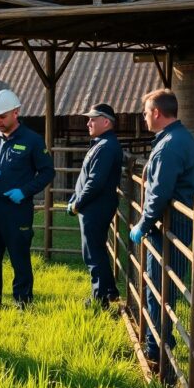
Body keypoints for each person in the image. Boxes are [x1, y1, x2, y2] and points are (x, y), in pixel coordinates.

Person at [129, 89, 194, 366]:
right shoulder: (182, 138)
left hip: (170, 226)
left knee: (158, 288)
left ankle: (157, 352)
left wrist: (143, 223)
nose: (145, 118)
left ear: (157, 113)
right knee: (164, 285)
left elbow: (159, 193)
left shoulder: (169, 145)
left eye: (146, 113)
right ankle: (162, 343)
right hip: (177, 223)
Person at [0, 89, 55, 309]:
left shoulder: (32, 141)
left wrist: (25, 191)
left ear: (16, 113)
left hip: (17, 208)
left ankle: (23, 301)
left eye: (2, 116)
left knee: (19, 256)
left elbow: (47, 172)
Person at [67, 103, 123, 308]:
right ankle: (110, 291)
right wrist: (75, 198)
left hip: (95, 207)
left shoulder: (106, 146)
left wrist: (77, 204)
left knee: (92, 253)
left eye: (93, 118)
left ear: (106, 121)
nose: (88, 122)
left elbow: (95, 182)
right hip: (93, 205)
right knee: (96, 249)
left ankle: (99, 300)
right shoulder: (101, 144)